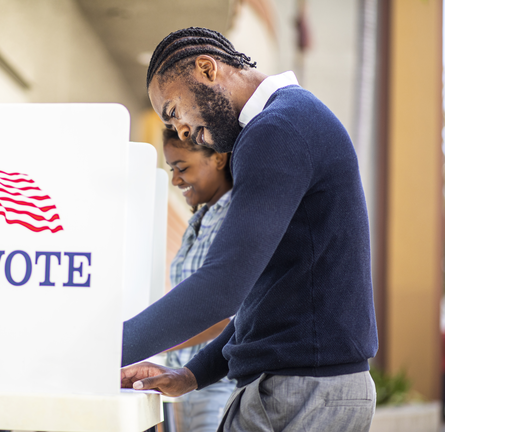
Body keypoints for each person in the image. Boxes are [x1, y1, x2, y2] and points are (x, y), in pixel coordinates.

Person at [120, 27, 378, 432]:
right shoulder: (290, 121)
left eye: (173, 111)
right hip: (308, 388)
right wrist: (192, 375)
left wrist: (102, 350)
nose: (182, 131)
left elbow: (223, 286)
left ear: (206, 69)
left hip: (301, 395)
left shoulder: (276, 130)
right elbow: (269, 296)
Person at [161, 127, 236, 432]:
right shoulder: (200, 219)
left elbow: (227, 318)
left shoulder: (235, 220)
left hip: (217, 386)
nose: (175, 180)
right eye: (171, 169)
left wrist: (154, 343)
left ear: (218, 158)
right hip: (182, 386)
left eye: (182, 167)